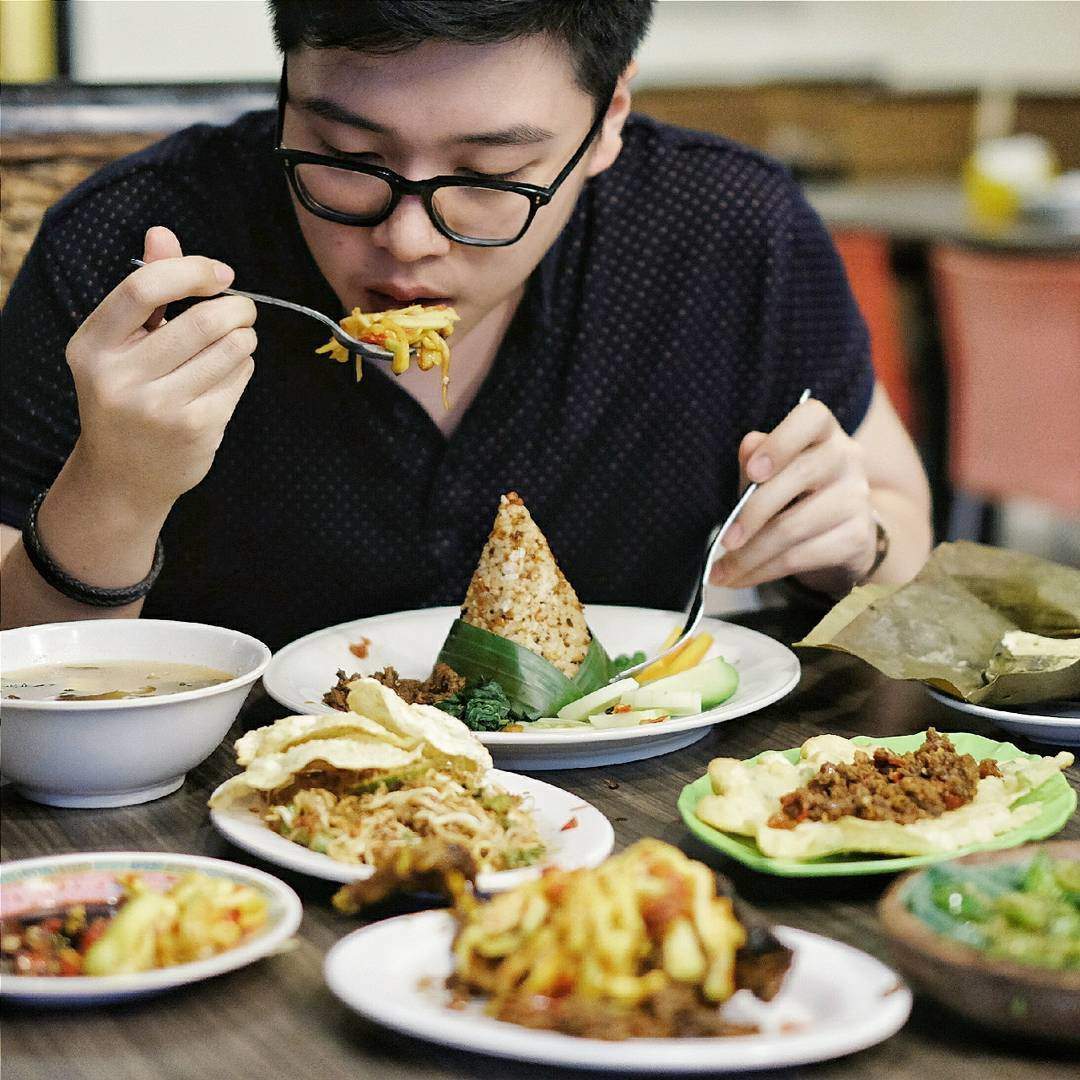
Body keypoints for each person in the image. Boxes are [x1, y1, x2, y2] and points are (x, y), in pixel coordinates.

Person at [0, 0, 931, 650]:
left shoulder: (727, 232)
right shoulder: (128, 252)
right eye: (346, 156)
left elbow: (899, 526)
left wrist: (854, 542)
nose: (406, 241)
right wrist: (116, 489)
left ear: (608, 118)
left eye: (487, 179)